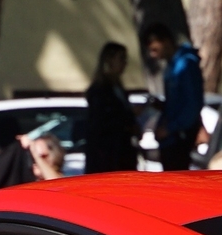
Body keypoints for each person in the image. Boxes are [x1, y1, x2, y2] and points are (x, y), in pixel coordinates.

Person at [144, 23, 206, 170]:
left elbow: (192, 105)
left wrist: (171, 128)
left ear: (165, 42)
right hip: (171, 138)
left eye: (155, 49)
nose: (153, 55)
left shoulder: (186, 64)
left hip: (179, 137)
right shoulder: (172, 66)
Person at [82, 42, 137, 173]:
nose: (125, 63)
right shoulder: (99, 91)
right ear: (109, 61)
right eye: (121, 58)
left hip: (122, 154)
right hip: (107, 157)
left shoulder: (118, 89)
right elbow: (101, 123)